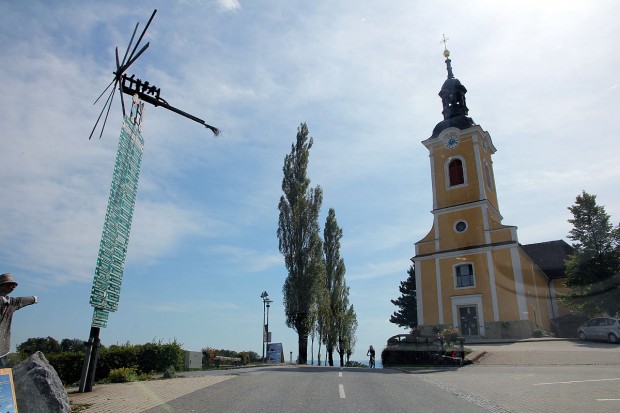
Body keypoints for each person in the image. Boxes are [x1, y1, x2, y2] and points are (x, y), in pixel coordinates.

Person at [0, 273, 38, 368]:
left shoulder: (11, 303)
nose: (12, 287)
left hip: (3, 348)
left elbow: (26, 300)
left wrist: (34, 299)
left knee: (2, 375)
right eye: (9, 284)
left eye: (14, 285)